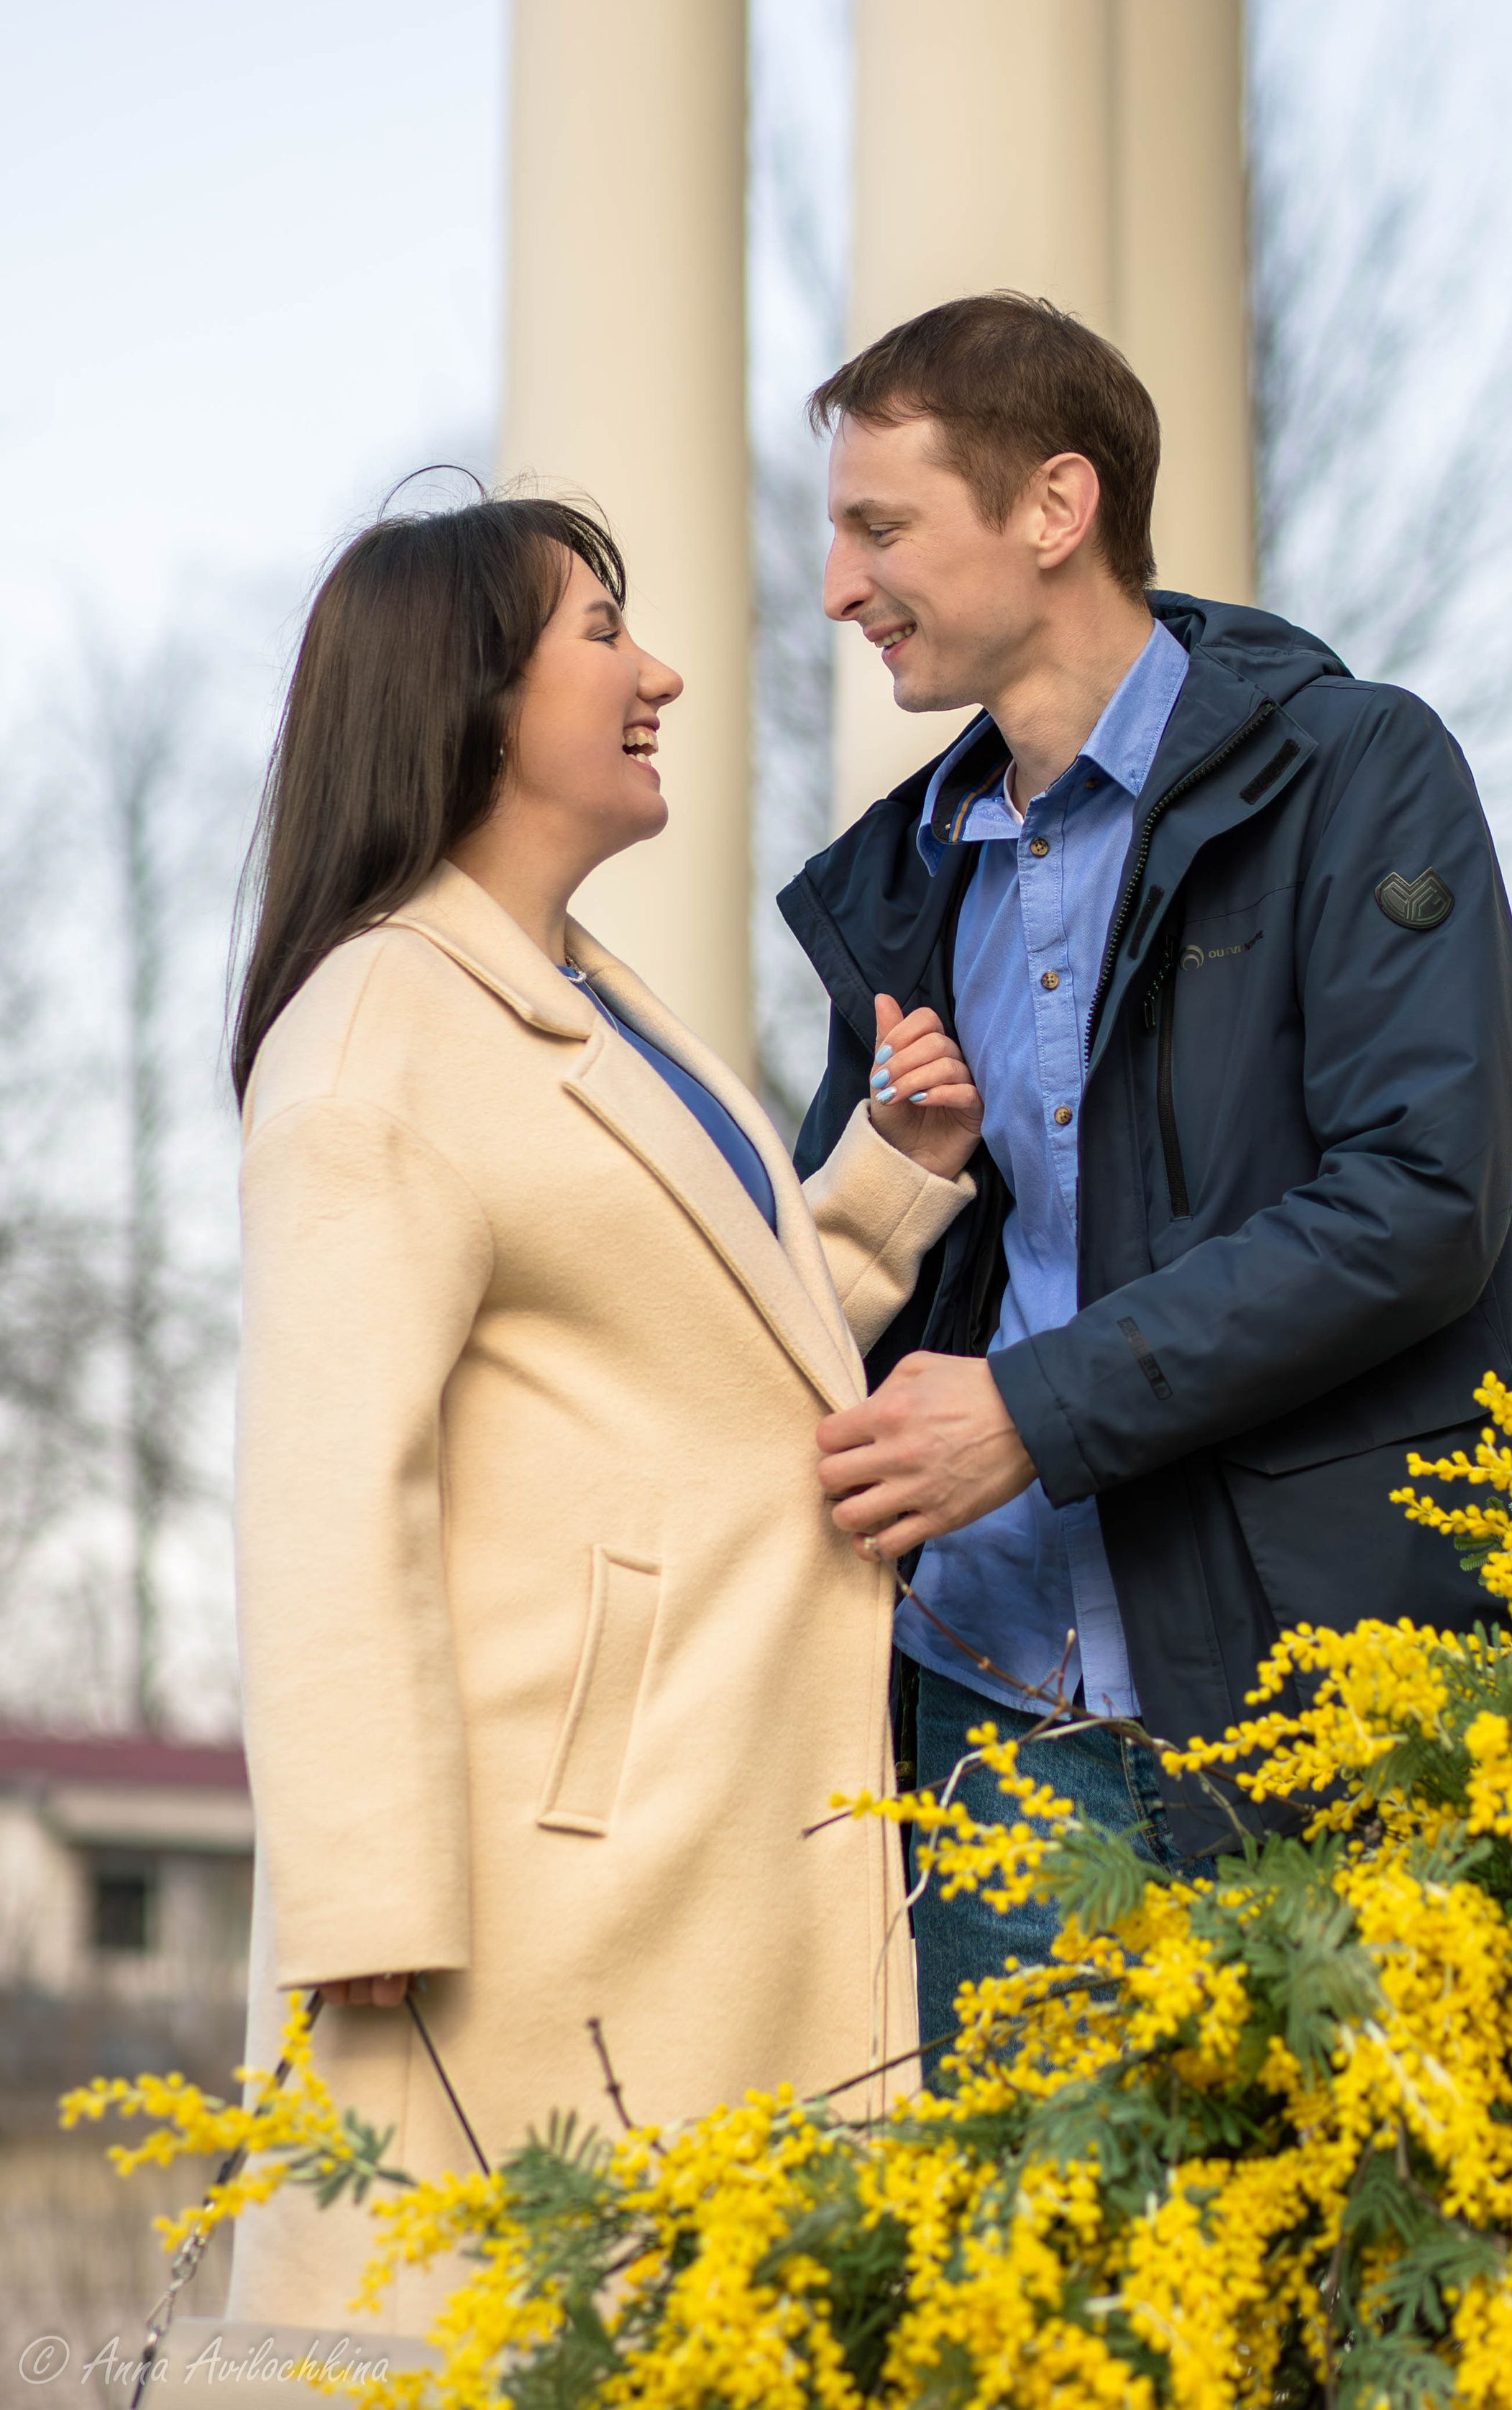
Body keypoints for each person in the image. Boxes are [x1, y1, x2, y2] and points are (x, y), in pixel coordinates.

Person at [226, 492, 980, 2328]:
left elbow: (710, 1353)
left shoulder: (587, 999)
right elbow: (328, 1492)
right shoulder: (376, 1033)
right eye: (598, 632)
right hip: (527, 1904)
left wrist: (886, 1177)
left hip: (706, 1841)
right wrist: (368, 1905)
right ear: (468, 699)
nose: (658, 672)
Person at [778, 293, 1512, 2058]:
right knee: (1030, 2313)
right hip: (986, 1738)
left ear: (1054, 509)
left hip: (1313, 1716)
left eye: (878, 527)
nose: (836, 586)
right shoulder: (898, 887)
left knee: (1342, 2316)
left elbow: (1420, 1199)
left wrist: (1034, 1413)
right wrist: (896, 1173)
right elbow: (871, 1287)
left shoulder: (1356, 776)